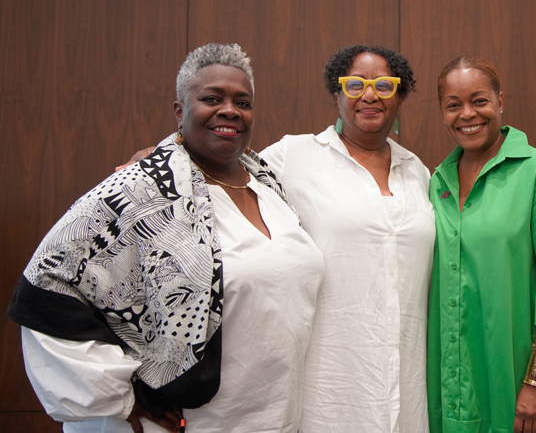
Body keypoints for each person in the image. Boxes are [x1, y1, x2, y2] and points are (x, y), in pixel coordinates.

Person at [7, 43, 325, 433]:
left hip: (269, 415)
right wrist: (114, 396)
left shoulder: (268, 184)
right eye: (212, 98)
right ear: (180, 111)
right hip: (182, 419)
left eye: (242, 101)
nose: (229, 110)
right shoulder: (142, 191)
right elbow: (46, 286)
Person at [260, 44, 435, 432]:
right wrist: (166, 152)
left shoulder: (417, 171)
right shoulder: (293, 156)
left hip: (406, 383)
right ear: (336, 93)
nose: (369, 95)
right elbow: (221, 168)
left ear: (400, 96)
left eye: (384, 86)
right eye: (355, 84)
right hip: (330, 386)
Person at [427, 57, 536, 433]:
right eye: (454, 105)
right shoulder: (436, 182)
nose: (467, 114)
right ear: (443, 113)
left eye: (479, 100)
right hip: (456, 378)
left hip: (520, 373)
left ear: (500, 101)